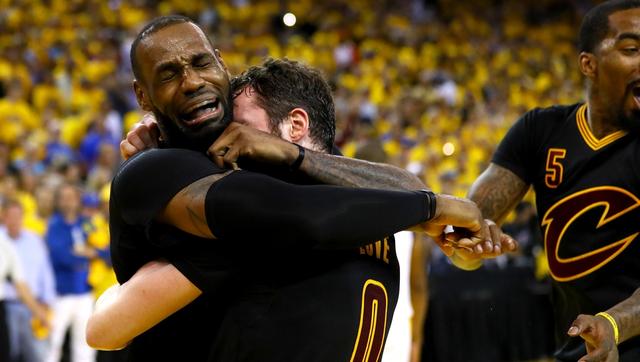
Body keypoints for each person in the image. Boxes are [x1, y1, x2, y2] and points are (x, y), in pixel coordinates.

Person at [91, 16, 504, 361]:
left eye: (241, 130)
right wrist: (434, 209)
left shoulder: (355, 197)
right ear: (143, 96)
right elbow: (105, 328)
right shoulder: (166, 171)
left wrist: (293, 157)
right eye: (169, 74)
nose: (229, 146)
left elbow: (398, 188)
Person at [453, 1, 640, 360]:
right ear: (589, 64)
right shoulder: (540, 130)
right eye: (631, 49)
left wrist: (613, 325)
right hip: (580, 348)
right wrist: (466, 247)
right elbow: (469, 231)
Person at [46, 183, 99, 362]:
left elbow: (106, 249)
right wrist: (87, 256)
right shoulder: (54, 225)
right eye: (64, 197)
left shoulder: (86, 224)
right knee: (53, 342)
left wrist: (92, 252)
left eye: (72, 197)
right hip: (61, 294)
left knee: (85, 344)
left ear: (78, 200)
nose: (68, 201)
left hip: (85, 293)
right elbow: (60, 256)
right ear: (58, 201)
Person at [1, 200, 56, 362]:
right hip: (6, 306)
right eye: (10, 216)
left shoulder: (33, 240)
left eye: (18, 216)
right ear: (3, 217)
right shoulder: (3, 242)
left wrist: (44, 305)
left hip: (32, 305)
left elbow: (27, 280)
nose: (14, 221)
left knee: (37, 355)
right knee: (8, 354)